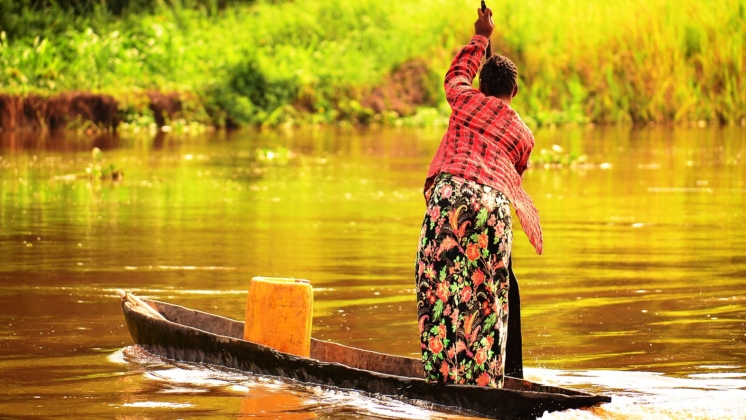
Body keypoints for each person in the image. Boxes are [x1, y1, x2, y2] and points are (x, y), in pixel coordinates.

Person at [415, 6, 542, 388]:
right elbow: (516, 176)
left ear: (482, 86)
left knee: (439, 285)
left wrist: (481, 36)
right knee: (487, 299)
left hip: (450, 196)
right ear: (514, 92)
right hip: (494, 210)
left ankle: (443, 381)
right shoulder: (524, 135)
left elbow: (455, 75)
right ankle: (484, 384)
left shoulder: (465, 99)